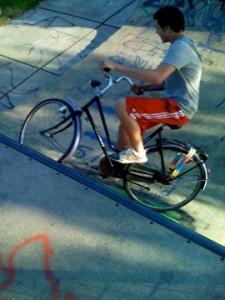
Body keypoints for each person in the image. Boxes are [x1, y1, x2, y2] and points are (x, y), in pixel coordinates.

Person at [99, 5, 202, 164]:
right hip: (171, 102)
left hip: (178, 108)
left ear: (168, 29)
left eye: (158, 28)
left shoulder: (181, 48)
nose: (156, 32)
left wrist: (117, 67)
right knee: (125, 128)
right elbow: (168, 81)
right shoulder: (182, 44)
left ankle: (138, 153)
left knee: (122, 105)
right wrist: (146, 88)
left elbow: (157, 76)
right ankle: (117, 166)